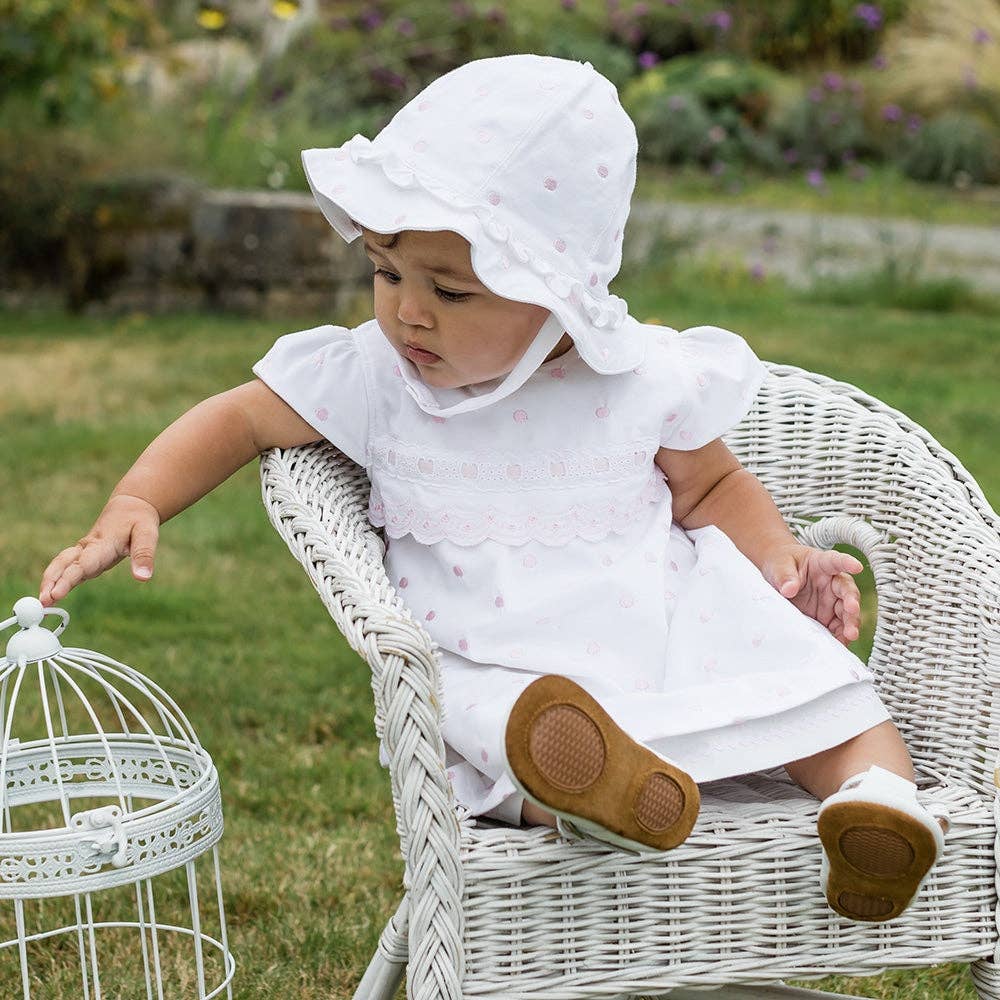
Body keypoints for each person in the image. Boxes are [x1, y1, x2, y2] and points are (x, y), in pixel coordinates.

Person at [38, 54, 949, 923]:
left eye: (452, 292)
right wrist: (138, 499)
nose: (407, 311)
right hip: (501, 664)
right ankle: (603, 801)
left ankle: (879, 805)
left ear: (559, 295)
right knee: (520, 741)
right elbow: (239, 419)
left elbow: (710, 488)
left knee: (817, 685)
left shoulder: (635, 374)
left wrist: (780, 557)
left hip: (665, 626)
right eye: (386, 272)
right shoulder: (377, 378)